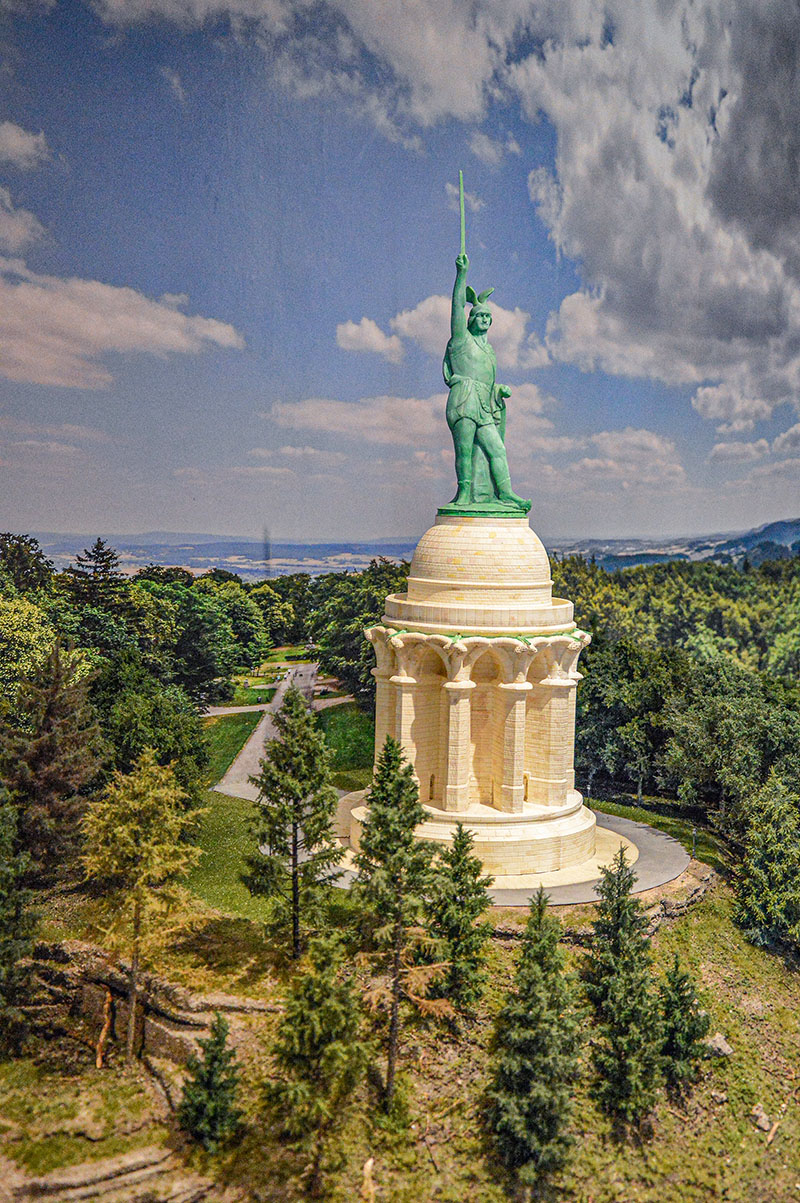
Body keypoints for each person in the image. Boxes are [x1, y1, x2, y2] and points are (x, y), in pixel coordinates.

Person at [443, 251, 530, 511]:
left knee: (497, 449)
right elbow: (457, 306)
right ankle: (464, 494)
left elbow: (488, 382)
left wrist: (498, 390)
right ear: (471, 319)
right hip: (464, 399)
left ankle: (506, 493)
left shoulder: (490, 352)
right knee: (465, 450)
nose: (485, 319)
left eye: (488, 317)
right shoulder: (461, 340)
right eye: (480, 315)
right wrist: (462, 275)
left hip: (484, 403)